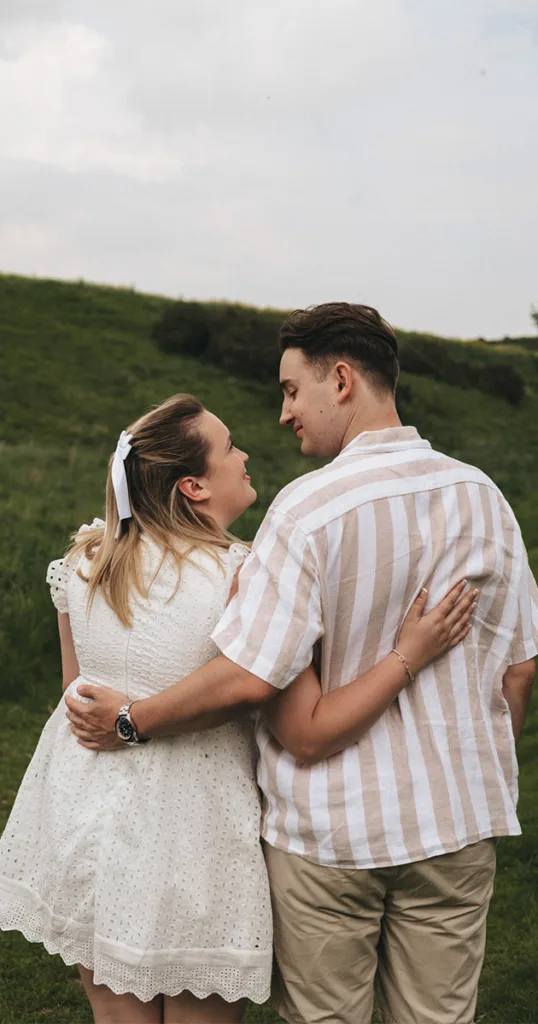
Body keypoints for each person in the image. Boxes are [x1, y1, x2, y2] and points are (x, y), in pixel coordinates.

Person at [65, 303, 537, 1024]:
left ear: (341, 379)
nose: (283, 414)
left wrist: (131, 720)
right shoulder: (484, 497)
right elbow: (519, 669)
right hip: (456, 825)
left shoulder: (305, 511)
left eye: (291, 390)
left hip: (331, 833)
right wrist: (471, 768)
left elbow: (259, 682)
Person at [0, 392, 474, 1024]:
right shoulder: (241, 575)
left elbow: (74, 696)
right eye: (230, 448)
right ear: (194, 485)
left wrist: (123, 717)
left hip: (87, 820)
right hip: (194, 828)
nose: (245, 454)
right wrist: (406, 654)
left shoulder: (87, 559)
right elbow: (277, 705)